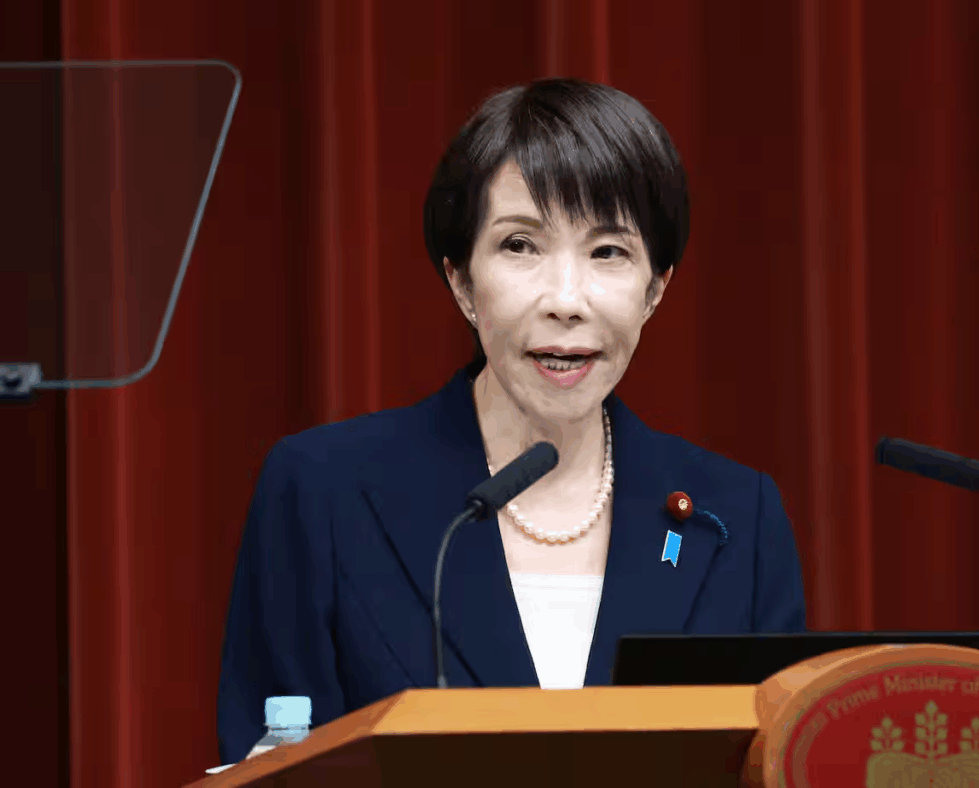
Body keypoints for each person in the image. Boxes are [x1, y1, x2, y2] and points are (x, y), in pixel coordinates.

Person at [216, 77, 806, 766]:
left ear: (655, 289)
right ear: (461, 280)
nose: (566, 301)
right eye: (521, 245)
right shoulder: (322, 492)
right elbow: (269, 766)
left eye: (607, 252)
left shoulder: (733, 519)